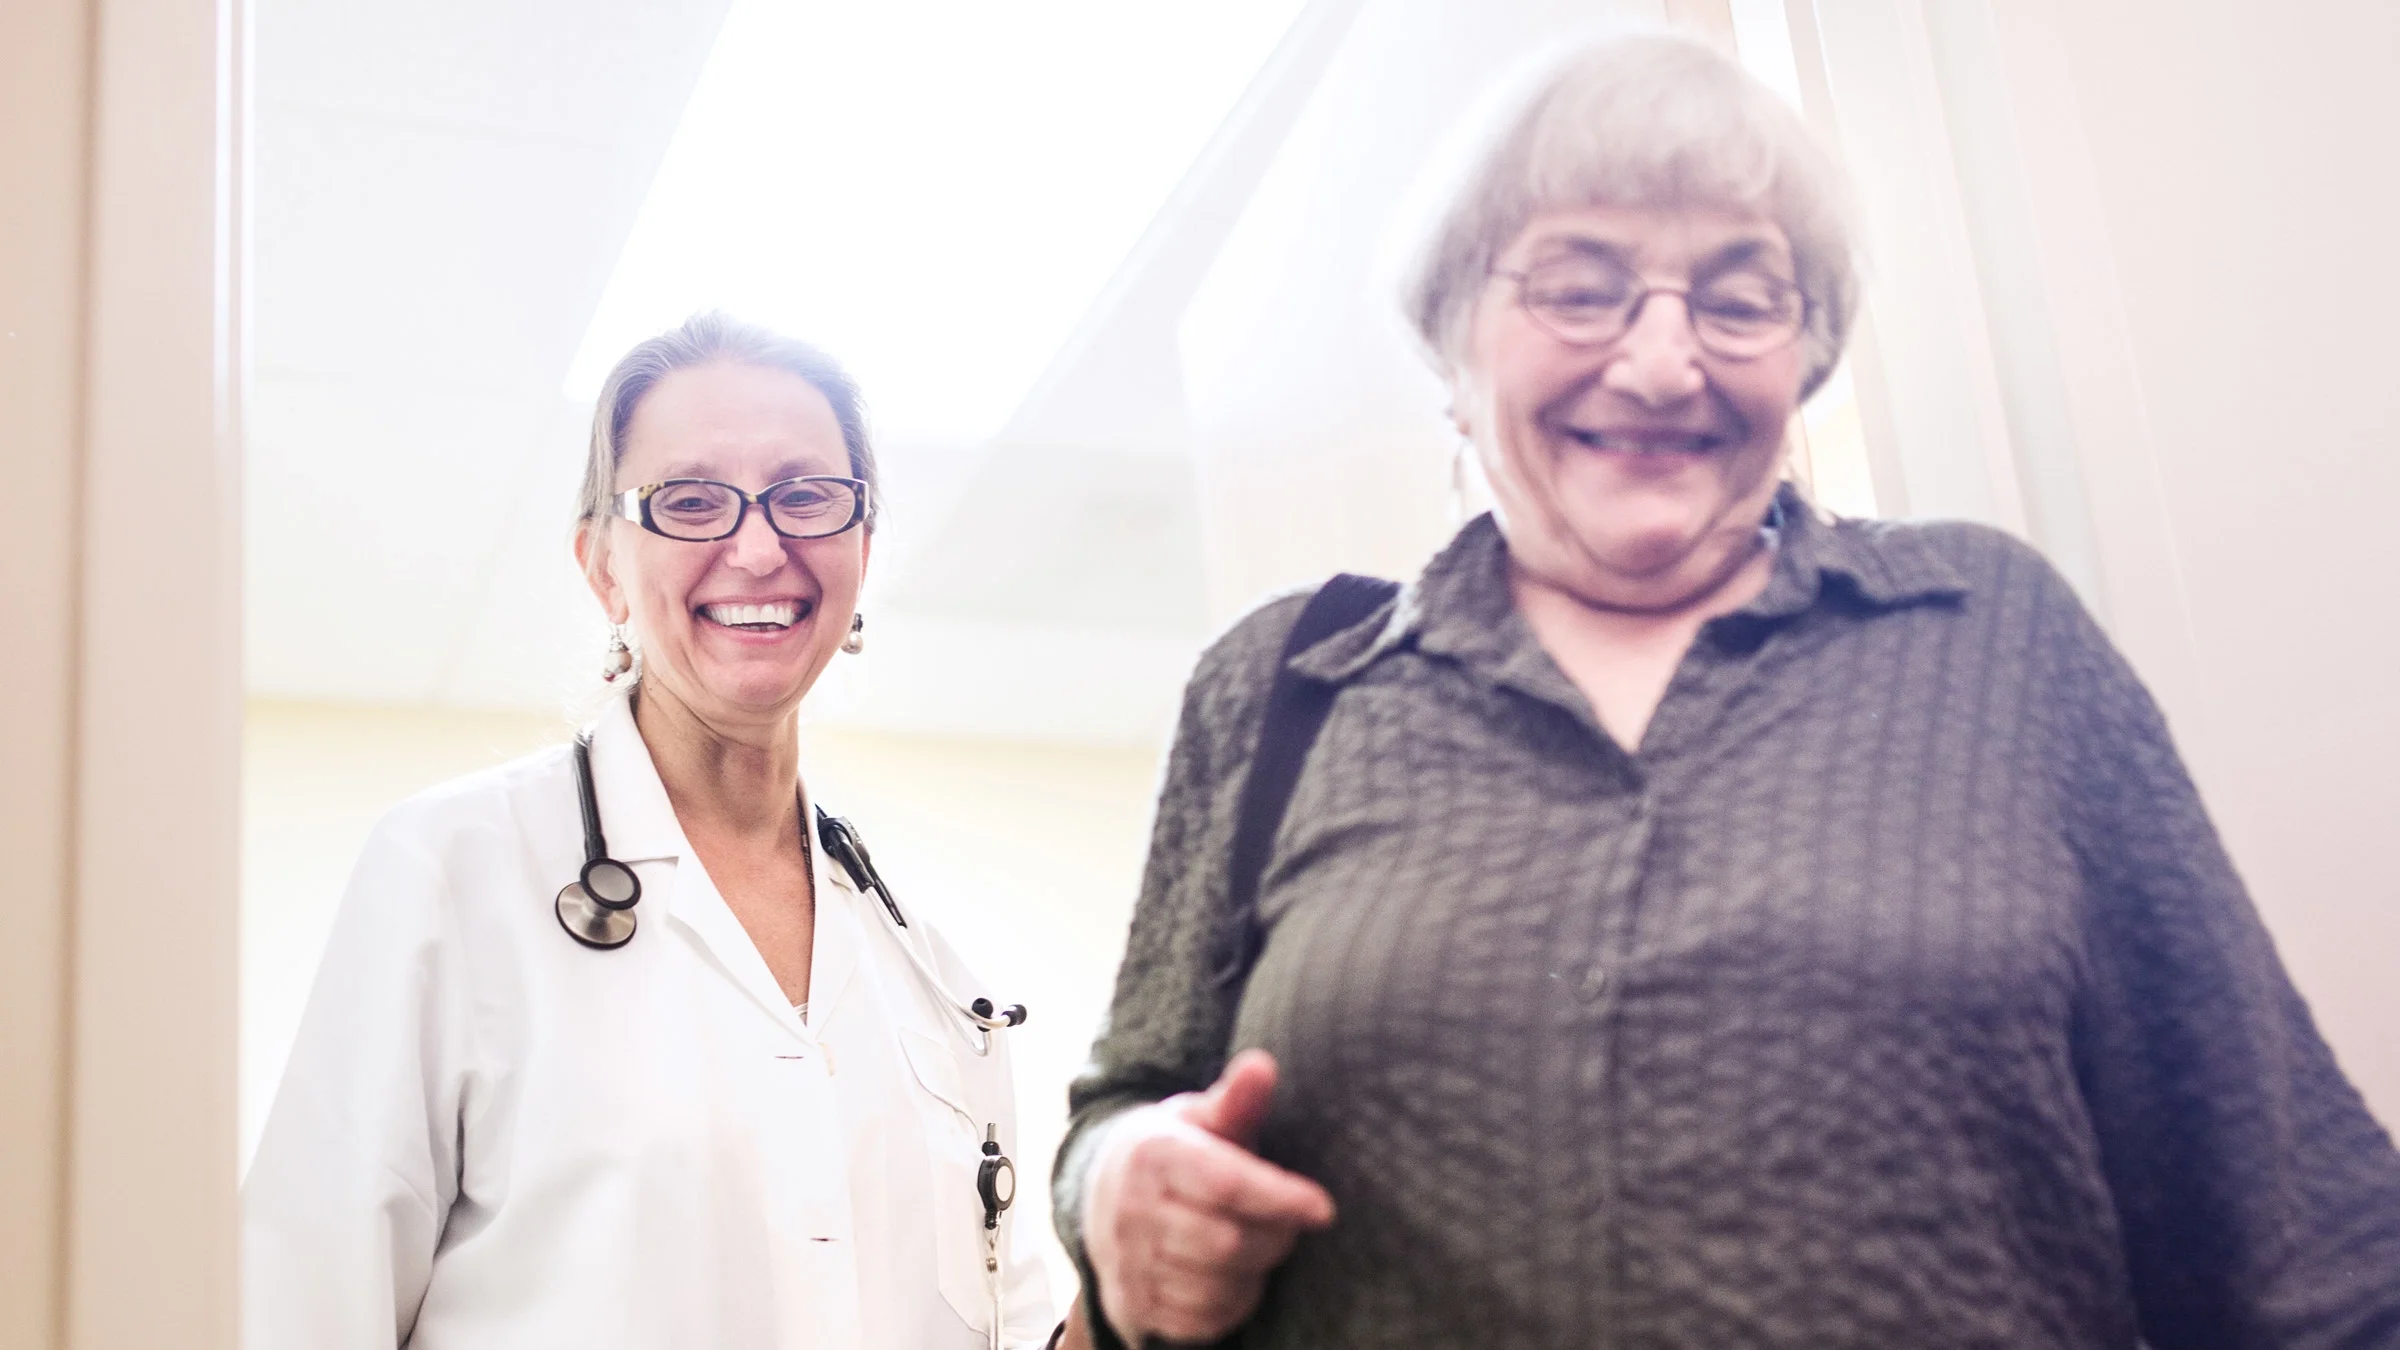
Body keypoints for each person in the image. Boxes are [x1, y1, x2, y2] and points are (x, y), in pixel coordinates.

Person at [1051, 34, 2400, 1350]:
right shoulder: (1285, 687)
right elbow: (1129, 1101)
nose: (1658, 361)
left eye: (1739, 296)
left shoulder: (1993, 639)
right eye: (1580, 288)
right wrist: (1116, 1191)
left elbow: (2302, 1241)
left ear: (1806, 352)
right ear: (1452, 344)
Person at [245, 313, 1060, 1349]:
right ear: (603, 570)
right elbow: (302, 1306)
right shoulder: (458, 869)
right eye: (690, 501)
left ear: (861, 547)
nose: (760, 546)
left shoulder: (932, 977)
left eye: (807, 495)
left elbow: (1009, 1324)